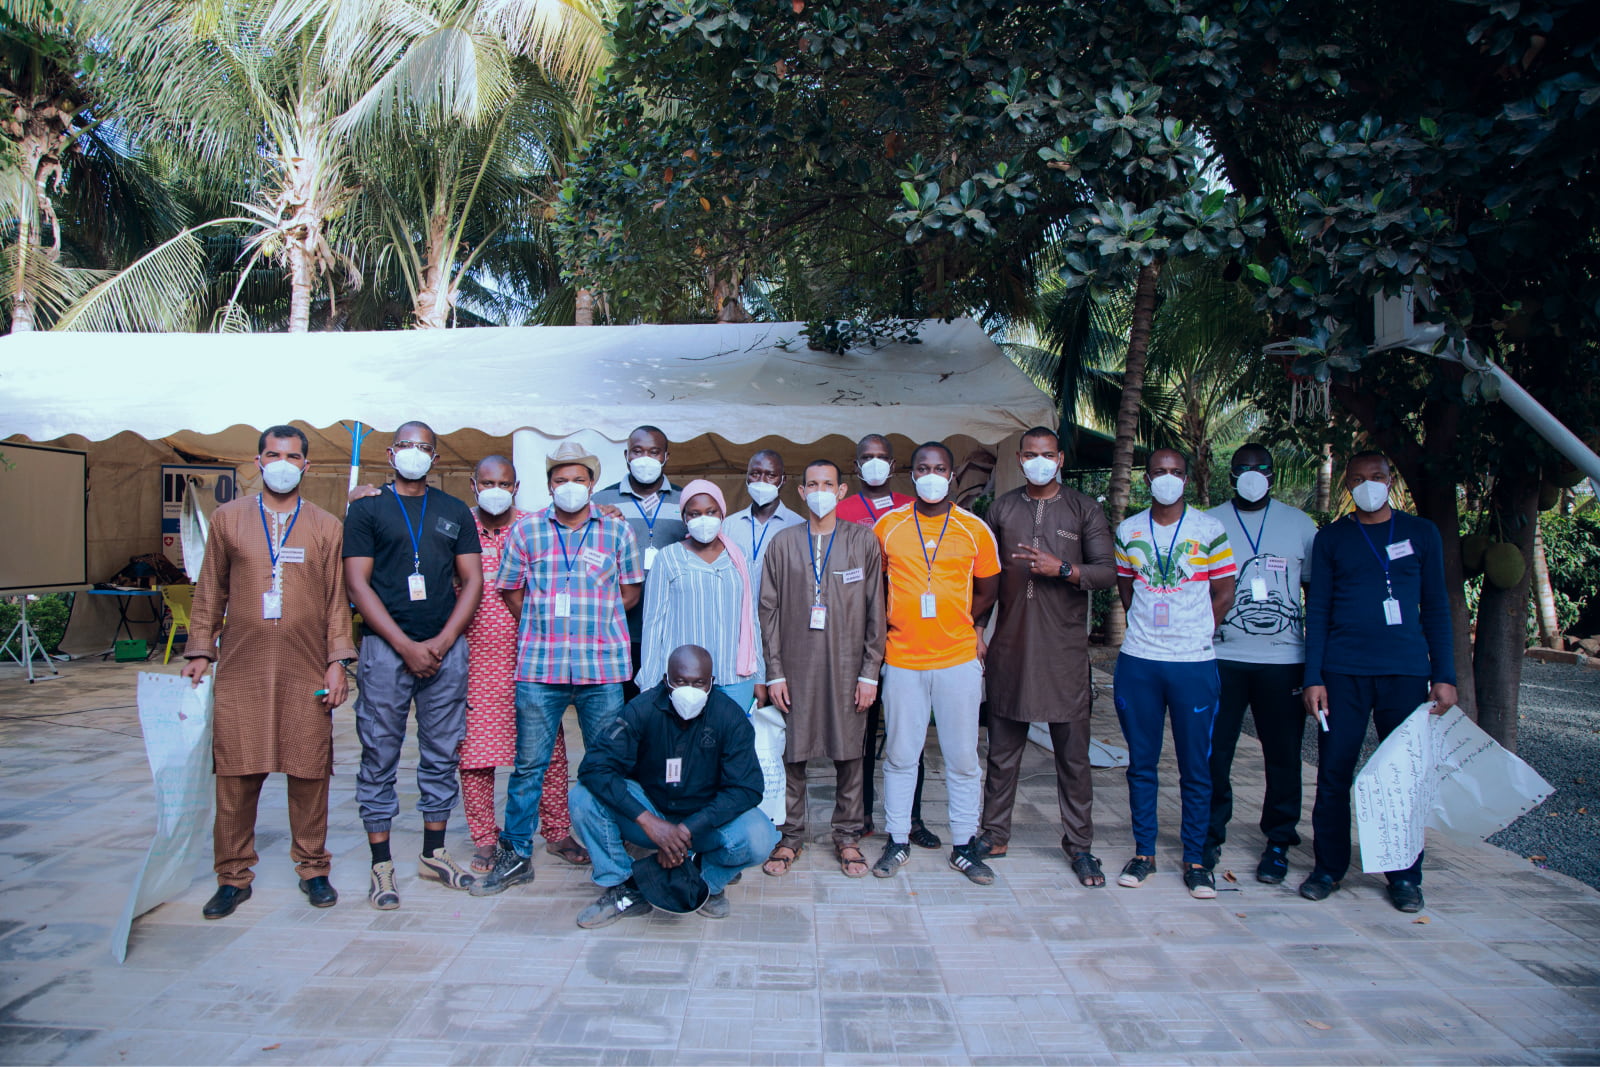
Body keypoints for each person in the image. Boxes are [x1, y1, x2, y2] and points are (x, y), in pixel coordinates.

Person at [182, 425, 356, 918]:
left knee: (309, 771)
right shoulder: (228, 519)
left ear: (307, 466)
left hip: (306, 669)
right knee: (236, 772)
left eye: (292, 455)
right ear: (258, 462)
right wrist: (200, 650)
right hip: (242, 669)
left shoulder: (325, 526)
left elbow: (334, 601)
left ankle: (313, 868)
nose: (282, 462)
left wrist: (337, 661)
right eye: (273, 454)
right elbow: (210, 590)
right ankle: (233, 877)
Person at [471, 439, 644, 896]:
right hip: (540, 667)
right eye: (561, 480)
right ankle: (516, 856)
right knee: (529, 766)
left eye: (579, 480)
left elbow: (629, 592)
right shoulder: (526, 534)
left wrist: (598, 618)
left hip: (601, 669)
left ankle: (613, 857)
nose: (570, 487)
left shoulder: (616, 532)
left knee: (606, 763)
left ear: (592, 485)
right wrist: (542, 620)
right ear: (548, 486)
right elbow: (510, 590)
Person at [1300, 450, 1457, 912]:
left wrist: (1443, 675)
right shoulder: (1332, 539)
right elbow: (1320, 610)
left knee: (1402, 777)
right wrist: (1313, 677)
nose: (1369, 485)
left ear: (1390, 481)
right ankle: (1328, 868)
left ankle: (1405, 875)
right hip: (1342, 673)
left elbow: (1438, 608)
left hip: (1406, 672)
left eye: (1377, 477)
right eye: (1359, 479)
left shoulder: (1421, 533)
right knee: (1333, 773)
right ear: (1347, 486)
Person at [343, 421, 483, 909]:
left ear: (436, 458)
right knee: (378, 751)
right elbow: (357, 585)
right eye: (407, 446)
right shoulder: (366, 508)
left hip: (445, 649)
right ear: (390, 452)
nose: (415, 454)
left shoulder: (453, 511)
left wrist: (444, 640)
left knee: (442, 751)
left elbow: (474, 580)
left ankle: (433, 853)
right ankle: (381, 864)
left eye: (425, 448)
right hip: (386, 650)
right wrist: (404, 645)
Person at [974, 427, 1116, 886]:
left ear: (1059, 459)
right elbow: (986, 577)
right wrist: (978, 628)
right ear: (1020, 457)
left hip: (1064, 654)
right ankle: (994, 834)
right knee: (1002, 751)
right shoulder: (1002, 508)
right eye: (1030, 455)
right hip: (1010, 649)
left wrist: (1065, 569)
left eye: (1047, 455)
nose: (1039, 461)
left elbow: (1108, 572)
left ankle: (1080, 846)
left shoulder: (1084, 508)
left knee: (1073, 758)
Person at [569, 644, 779, 927]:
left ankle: (704, 881)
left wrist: (685, 830)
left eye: (698, 683)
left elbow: (748, 788)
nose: (688, 690)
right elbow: (594, 767)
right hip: (651, 813)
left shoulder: (729, 717)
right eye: (680, 682)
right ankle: (623, 886)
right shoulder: (641, 710)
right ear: (666, 679)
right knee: (583, 798)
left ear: (711, 683)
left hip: (703, 823)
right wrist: (649, 822)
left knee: (759, 836)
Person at [871, 442, 1001, 883]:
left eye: (939, 468)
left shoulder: (974, 529)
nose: (931, 475)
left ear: (951, 476)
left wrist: (969, 626)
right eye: (923, 468)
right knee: (901, 754)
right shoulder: (887, 527)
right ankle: (898, 839)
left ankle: (964, 845)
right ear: (911, 475)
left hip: (957, 658)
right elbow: (877, 589)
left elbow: (988, 589)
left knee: (963, 757)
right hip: (903, 658)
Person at [1112, 448, 1236, 899]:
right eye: (1160, 472)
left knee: (1195, 766)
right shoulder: (1129, 530)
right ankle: (1144, 852)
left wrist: (1195, 629)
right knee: (1141, 763)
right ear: (1147, 479)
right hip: (1140, 661)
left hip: (1193, 663)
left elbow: (1224, 591)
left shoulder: (1209, 529)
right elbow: (1128, 589)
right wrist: (1151, 628)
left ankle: (1196, 859)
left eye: (1176, 472)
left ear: (1186, 479)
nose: (1168, 478)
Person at [458, 455, 588, 875]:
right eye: (487, 481)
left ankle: (556, 831)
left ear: (516, 487)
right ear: (474, 484)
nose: (496, 489)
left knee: (546, 749)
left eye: (505, 483)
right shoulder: (458, 528)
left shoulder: (535, 525)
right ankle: (485, 837)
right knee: (476, 754)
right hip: (474, 658)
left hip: (534, 655)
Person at [758, 459, 886, 878]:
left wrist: (870, 672)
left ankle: (847, 836)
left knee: (850, 752)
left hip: (849, 666)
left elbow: (875, 612)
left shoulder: (862, 541)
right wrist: (774, 671)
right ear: (800, 492)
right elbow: (768, 610)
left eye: (827, 484)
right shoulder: (782, 542)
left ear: (842, 490)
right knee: (792, 753)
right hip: (794, 666)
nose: (819, 491)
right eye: (811, 484)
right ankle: (790, 835)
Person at [1203, 443, 1319, 884]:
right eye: (1243, 468)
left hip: (1284, 662)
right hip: (1221, 657)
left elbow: (1314, 594)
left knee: (1284, 756)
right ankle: (1209, 836)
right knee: (1215, 753)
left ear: (1274, 475)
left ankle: (1279, 842)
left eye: (1261, 468)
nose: (1253, 474)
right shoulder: (1209, 523)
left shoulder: (1300, 525)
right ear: (1230, 475)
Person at [836, 432, 937, 848]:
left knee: (906, 732)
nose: (874, 463)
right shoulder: (840, 511)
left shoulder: (913, 510)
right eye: (866, 457)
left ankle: (911, 819)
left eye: (881, 457)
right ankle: (859, 816)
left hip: (903, 638)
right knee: (859, 733)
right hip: (855, 638)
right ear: (856, 466)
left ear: (894, 467)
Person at [637, 479, 766, 712]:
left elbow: (751, 618)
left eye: (710, 512)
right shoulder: (668, 558)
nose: (703, 519)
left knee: (731, 742)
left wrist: (759, 675)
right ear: (684, 518)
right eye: (694, 514)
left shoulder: (740, 557)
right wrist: (649, 679)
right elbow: (653, 623)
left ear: (722, 513)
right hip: (685, 677)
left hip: (734, 675)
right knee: (685, 745)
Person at [592, 425, 688, 701]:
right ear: (626, 455)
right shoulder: (601, 501)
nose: (645, 458)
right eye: (638, 451)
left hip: (670, 626)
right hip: (619, 626)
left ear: (666, 456)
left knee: (664, 707)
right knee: (621, 707)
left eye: (654, 452)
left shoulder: (685, 500)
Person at [725, 449, 805, 604]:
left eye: (771, 475)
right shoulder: (728, 525)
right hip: (736, 618)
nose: (762, 481)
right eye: (755, 473)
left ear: (783, 480)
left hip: (779, 619)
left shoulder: (799, 526)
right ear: (747, 478)